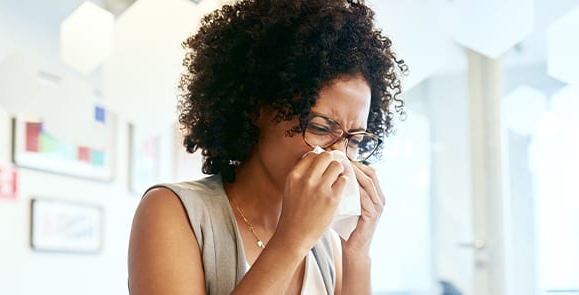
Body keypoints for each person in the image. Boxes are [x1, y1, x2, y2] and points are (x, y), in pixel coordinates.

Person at [127, 0, 407, 294]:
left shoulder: (326, 242)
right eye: (321, 128)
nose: (340, 157)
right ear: (258, 108)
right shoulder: (173, 212)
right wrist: (291, 239)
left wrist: (357, 254)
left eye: (355, 139)